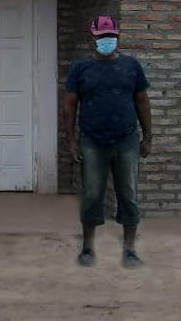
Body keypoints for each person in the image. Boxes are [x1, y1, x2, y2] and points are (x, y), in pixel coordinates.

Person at [63, 15, 152, 269]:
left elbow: (142, 102)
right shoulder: (81, 68)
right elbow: (69, 107)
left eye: (111, 36)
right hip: (92, 140)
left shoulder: (131, 66)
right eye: (102, 36)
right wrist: (71, 141)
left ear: (118, 36)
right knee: (92, 194)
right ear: (93, 37)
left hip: (126, 139)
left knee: (129, 193)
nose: (107, 40)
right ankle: (88, 247)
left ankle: (130, 249)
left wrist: (148, 137)